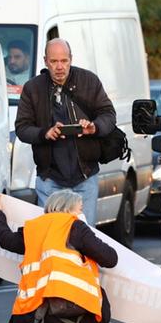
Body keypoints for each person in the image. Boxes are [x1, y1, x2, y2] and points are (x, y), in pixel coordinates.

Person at [0, 190, 120, 323]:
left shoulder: (33, 227)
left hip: (33, 307)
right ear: (68, 208)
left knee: (44, 310)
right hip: (70, 300)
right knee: (101, 300)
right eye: (80, 209)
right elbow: (110, 258)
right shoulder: (75, 226)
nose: (81, 213)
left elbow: (6, 240)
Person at [15, 39, 116, 225]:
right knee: (52, 234)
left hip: (85, 176)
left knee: (86, 238)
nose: (59, 67)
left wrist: (94, 127)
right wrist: (44, 133)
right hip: (49, 179)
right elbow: (21, 128)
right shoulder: (33, 88)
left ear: (71, 59)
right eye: (54, 62)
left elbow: (109, 115)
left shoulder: (89, 81)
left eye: (64, 61)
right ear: (46, 61)